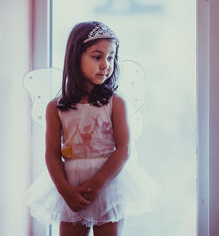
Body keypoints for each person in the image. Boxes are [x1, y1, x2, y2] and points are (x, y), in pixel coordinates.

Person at [27, 21, 155, 236]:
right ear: (76, 57)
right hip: (70, 183)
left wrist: (98, 183)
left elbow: (124, 149)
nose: (106, 64)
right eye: (97, 57)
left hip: (107, 185)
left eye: (111, 57)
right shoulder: (55, 107)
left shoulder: (115, 102)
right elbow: (51, 152)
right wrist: (64, 190)